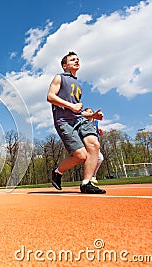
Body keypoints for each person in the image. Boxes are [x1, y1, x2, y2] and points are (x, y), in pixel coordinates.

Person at [46, 51, 106, 194]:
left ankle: (86, 183)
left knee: (94, 144)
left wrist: (92, 115)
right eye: (72, 60)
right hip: (64, 121)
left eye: (78, 59)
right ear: (64, 66)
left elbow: (77, 110)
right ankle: (57, 172)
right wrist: (70, 106)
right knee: (81, 156)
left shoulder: (78, 85)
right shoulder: (59, 78)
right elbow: (50, 96)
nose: (76, 61)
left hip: (78, 119)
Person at [83, 107, 104, 184]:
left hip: (94, 144)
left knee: (100, 158)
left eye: (91, 112)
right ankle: (89, 176)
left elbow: (97, 132)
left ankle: (92, 175)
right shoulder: (83, 122)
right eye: (88, 112)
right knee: (85, 159)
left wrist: (100, 132)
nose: (91, 113)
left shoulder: (95, 122)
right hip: (86, 144)